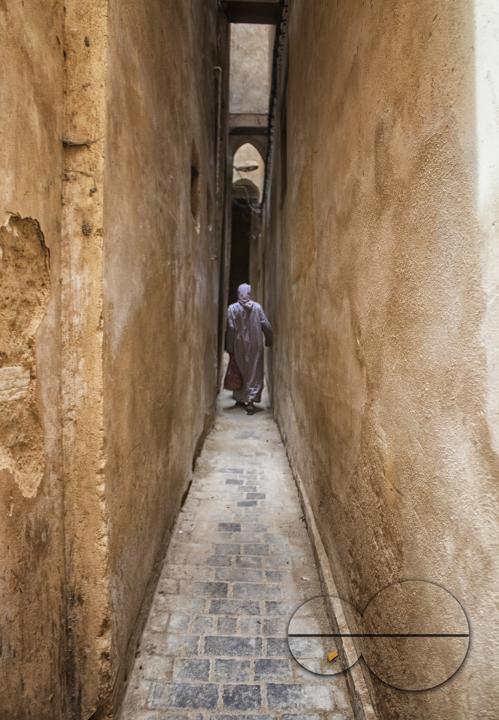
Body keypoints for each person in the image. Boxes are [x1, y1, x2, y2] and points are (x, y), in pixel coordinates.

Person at [225, 283, 273, 414]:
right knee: (254, 371)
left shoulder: (232, 309)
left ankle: (240, 398)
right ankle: (251, 401)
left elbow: (231, 328)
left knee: (240, 369)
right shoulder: (257, 308)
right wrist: (269, 339)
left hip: (238, 345)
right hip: (255, 345)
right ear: (249, 293)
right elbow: (266, 325)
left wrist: (229, 345)